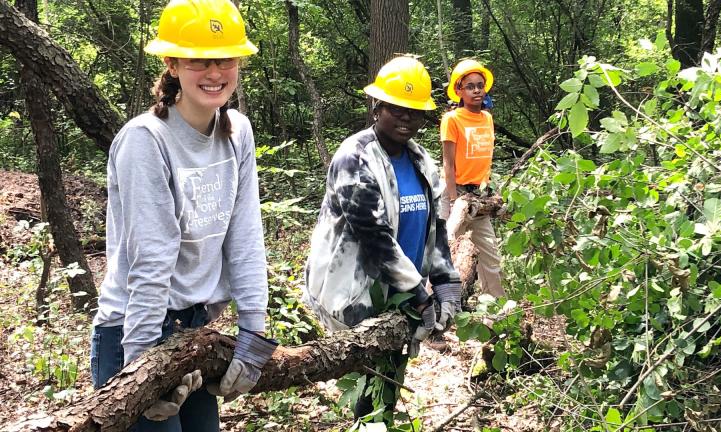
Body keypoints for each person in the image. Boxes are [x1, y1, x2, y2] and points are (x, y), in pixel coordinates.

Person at [90, 0, 277, 430]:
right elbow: (152, 258)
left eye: (224, 58)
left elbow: (245, 235)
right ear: (172, 62)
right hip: (133, 332)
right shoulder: (145, 140)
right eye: (198, 60)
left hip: (194, 330)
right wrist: (139, 370)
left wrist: (253, 333)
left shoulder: (238, 132)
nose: (214, 73)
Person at [303, 56, 462, 422]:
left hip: (401, 295)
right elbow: (375, 240)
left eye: (414, 112)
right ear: (378, 107)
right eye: (396, 109)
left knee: (388, 379)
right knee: (367, 382)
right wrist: (421, 297)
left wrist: (446, 279)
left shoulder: (421, 160)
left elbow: (435, 226)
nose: (405, 118)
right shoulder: (354, 158)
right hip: (357, 291)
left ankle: (379, 424)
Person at [440, 59, 505, 298]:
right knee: (445, 251)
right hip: (454, 194)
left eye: (480, 85)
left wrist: (486, 192)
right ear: (459, 90)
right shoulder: (452, 119)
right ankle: (437, 307)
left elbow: (484, 158)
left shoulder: (487, 118)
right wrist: (456, 198)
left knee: (491, 256)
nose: (476, 90)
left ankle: (497, 311)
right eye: (470, 86)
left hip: (480, 198)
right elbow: (448, 161)